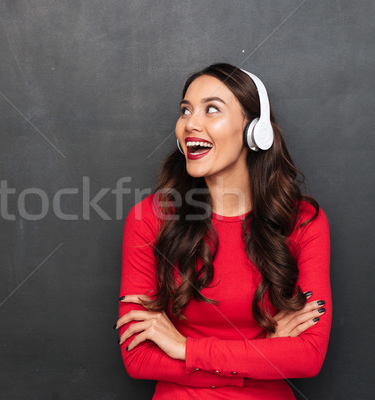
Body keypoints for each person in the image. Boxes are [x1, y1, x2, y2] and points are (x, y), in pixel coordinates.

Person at [114, 63, 331, 399]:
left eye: (211, 109)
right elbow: (139, 358)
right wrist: (262, 357)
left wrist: (185, 348)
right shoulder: (149, 219)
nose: (191, 124)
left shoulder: (303, 220)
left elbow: (309, 356)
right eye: (185, 111)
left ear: (254, 130)